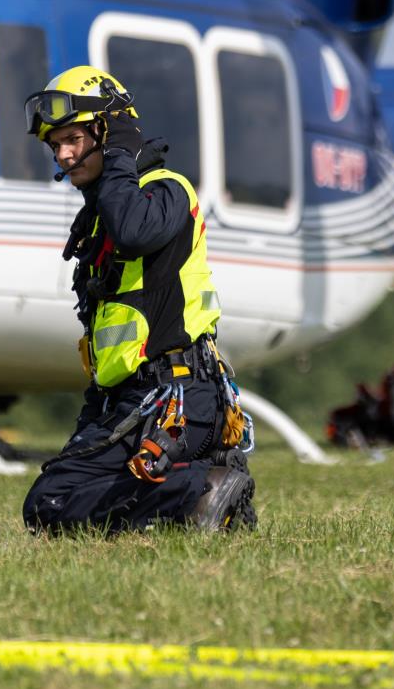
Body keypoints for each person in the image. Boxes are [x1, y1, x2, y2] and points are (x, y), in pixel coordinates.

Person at [20, 65, 255, 535]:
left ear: (107, 130)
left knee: (53, 502)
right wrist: (85, 434)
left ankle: (202, 489)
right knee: (53, 498)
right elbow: (106, 349)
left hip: (178, 399)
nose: (63, 156)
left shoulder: (167, 192)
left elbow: (133, 231)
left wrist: (122, 153)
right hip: (130, 399)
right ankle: (199, 498)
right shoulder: (100, 218)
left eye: (72, 138)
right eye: (55, 146)